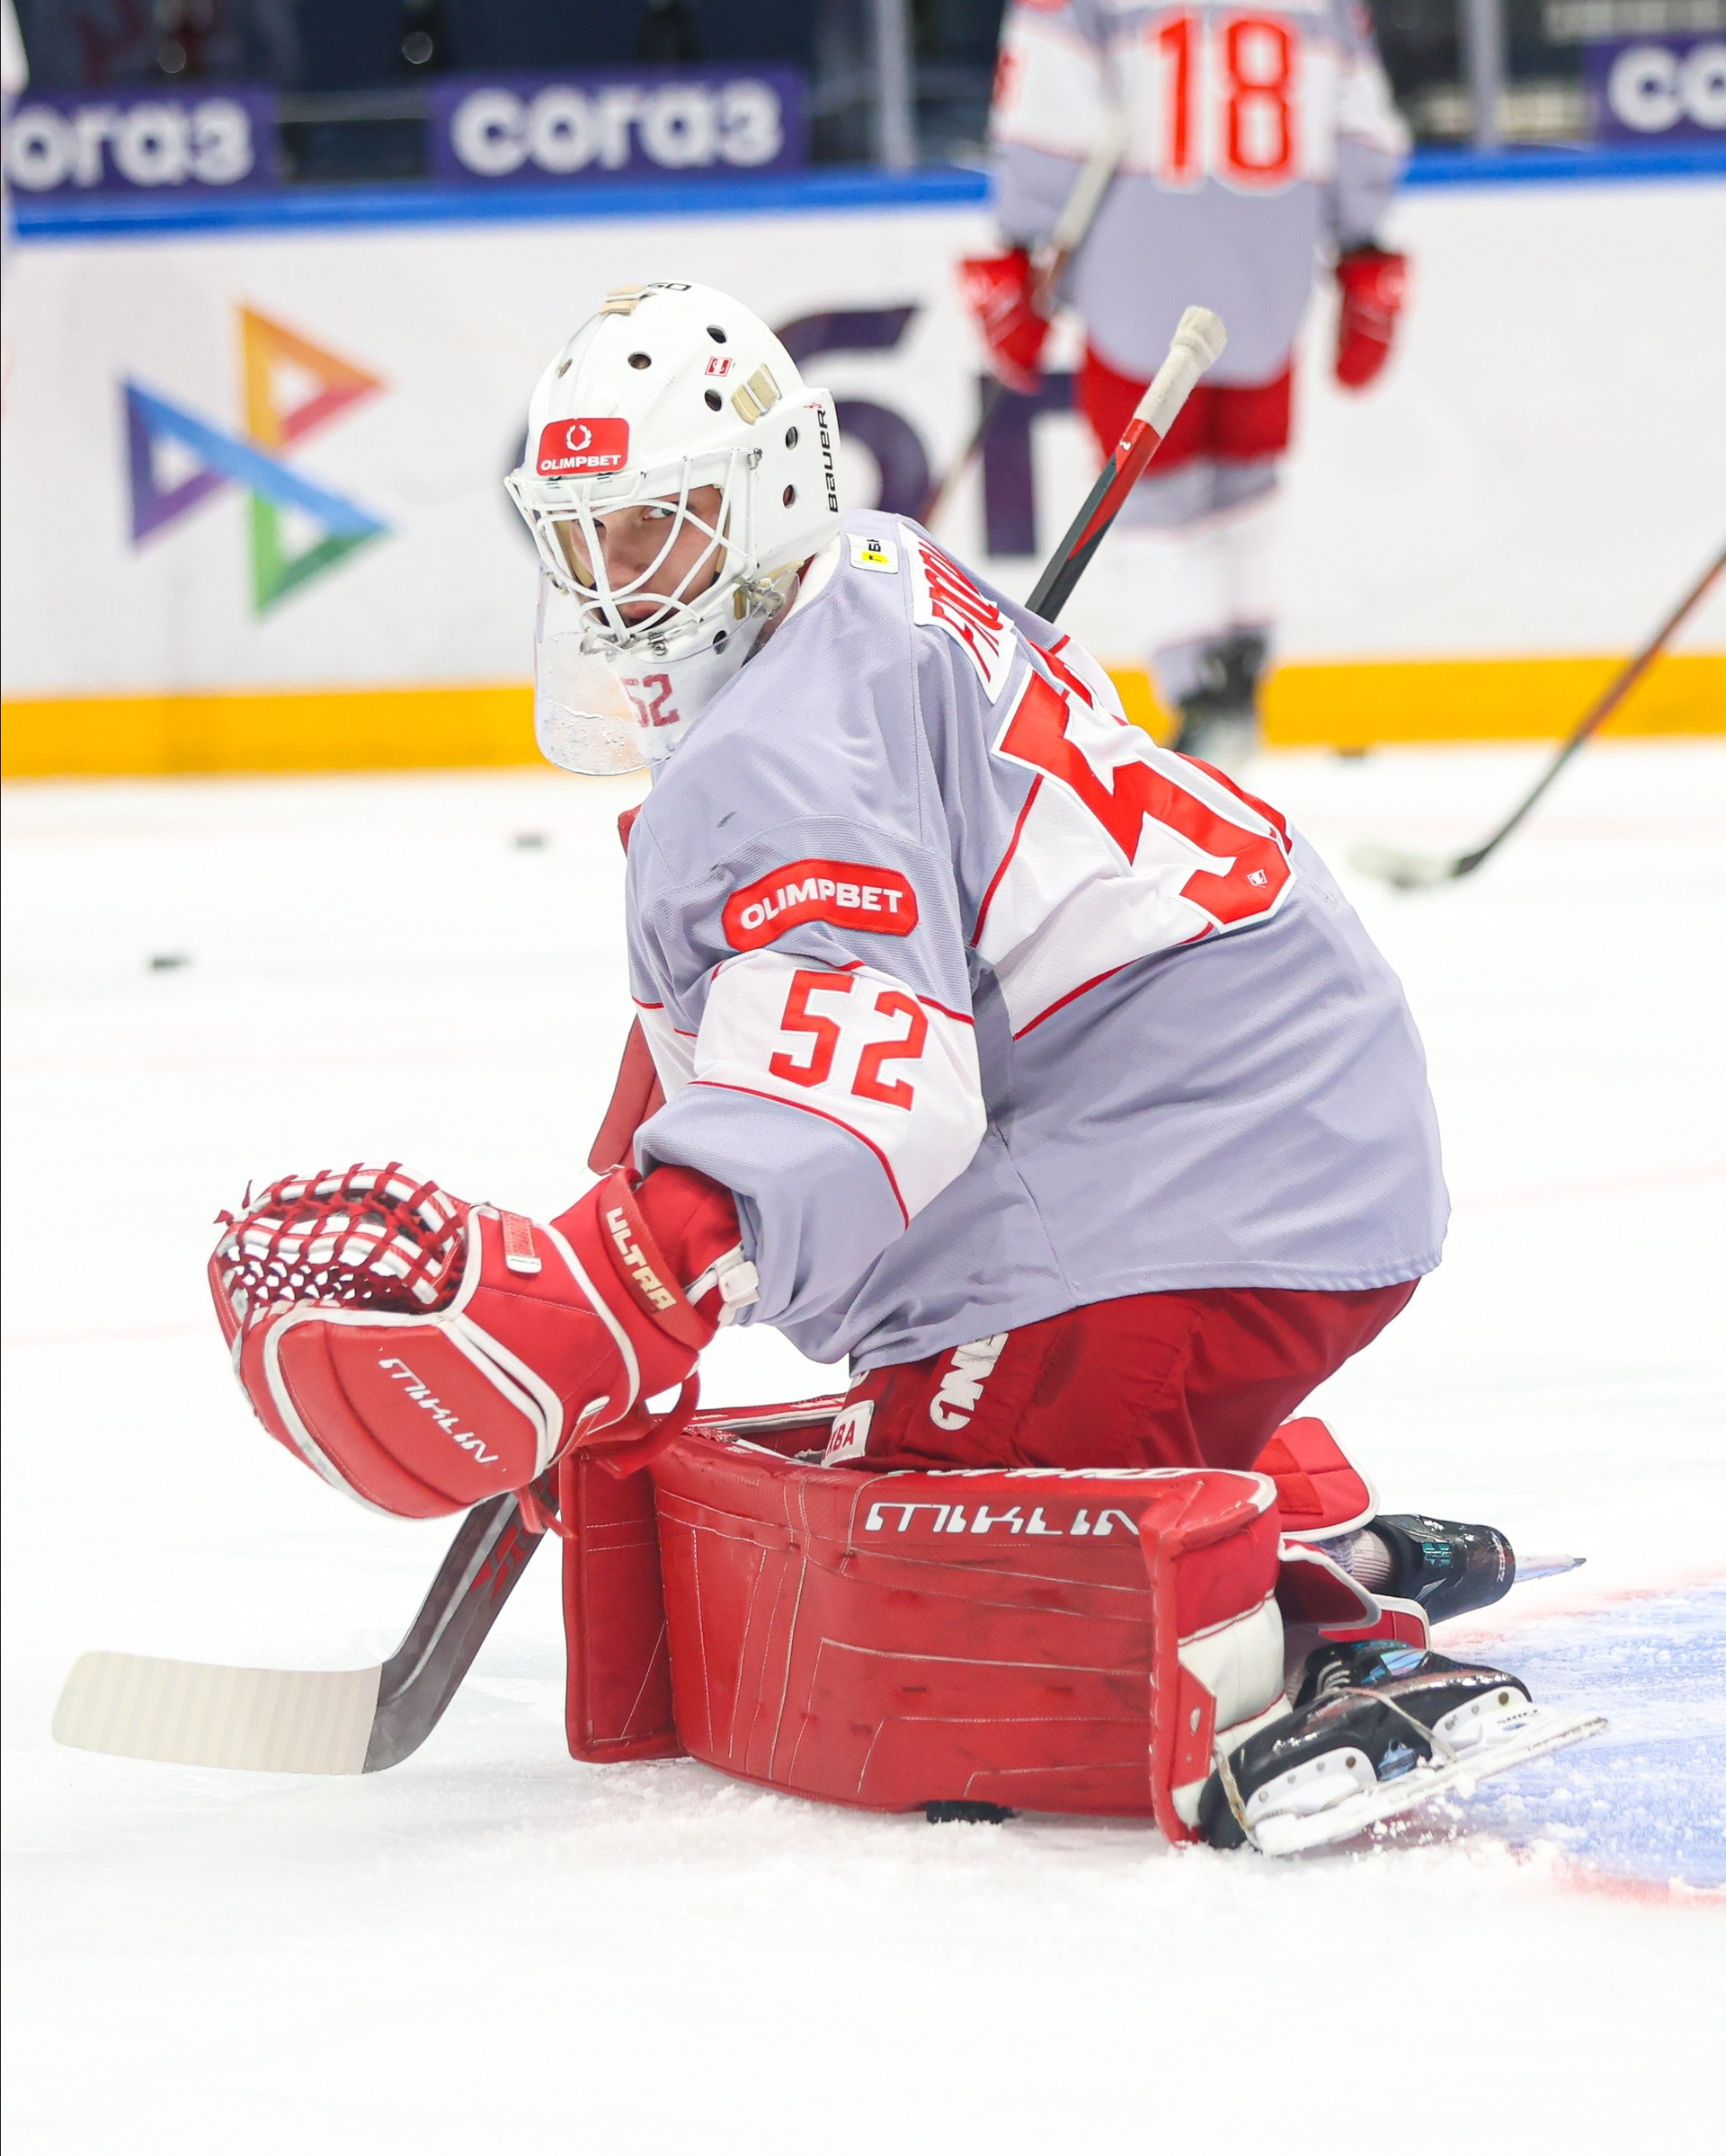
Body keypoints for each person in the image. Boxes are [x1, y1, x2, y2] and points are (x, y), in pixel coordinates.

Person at [210, 283, 1553, 1842]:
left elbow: (868, 1084)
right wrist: (651, 1221)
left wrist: (623, 1282)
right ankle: (1306, 1510)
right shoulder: (864, 578)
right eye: (583, 537)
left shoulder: (788, 741)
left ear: (772, 489)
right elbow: (824, 974)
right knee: (917, 1435)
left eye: (657, 526)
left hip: (1203, 1160)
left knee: (929, 1534)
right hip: (1257, 1111)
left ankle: (1307, 1645)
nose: (617, 581)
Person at [962, 0, 1411, 767]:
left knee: (1152, 483)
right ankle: (1240, 664)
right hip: (1268, 276)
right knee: (1247, 474)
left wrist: (1018, 239)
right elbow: (1359, 123)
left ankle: (1200, 690)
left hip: (1137, 271)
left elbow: (1048, 109)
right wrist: (1364, 243)